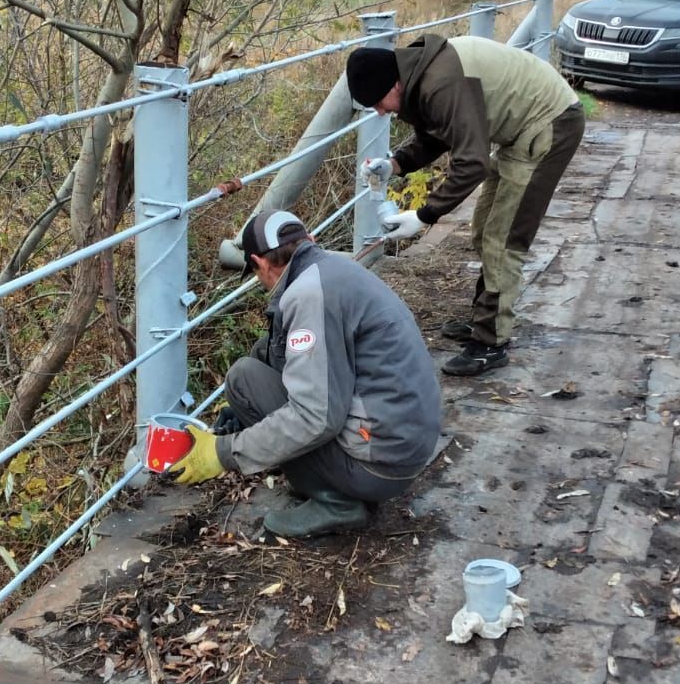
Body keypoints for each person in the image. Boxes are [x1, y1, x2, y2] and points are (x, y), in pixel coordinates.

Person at [168, 210, 442, 538]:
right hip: (403, 445)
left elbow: (316, 416)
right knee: (248, 378)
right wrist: (243, 414)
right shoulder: (333, 268)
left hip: (379, 464)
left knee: (244, 379)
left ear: (261, 262)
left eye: (255, 272)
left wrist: (223, 452)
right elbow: (282, 355)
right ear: (308, 240)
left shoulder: (308, 294)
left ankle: (337, 502)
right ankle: (332, 483)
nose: (260, 283)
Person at [345, 34, 584, 376]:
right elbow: (440, 131)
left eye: (379, 102)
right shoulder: (424, 73)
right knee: (485, 230)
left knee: (502, 242)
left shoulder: (441, 82)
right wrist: (396, 164)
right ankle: (484, 320)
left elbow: (472, 163)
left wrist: (424, 214)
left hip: (550, 124)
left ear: (394, 83)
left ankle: (491, 343)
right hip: (520, 132)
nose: (381, 112)